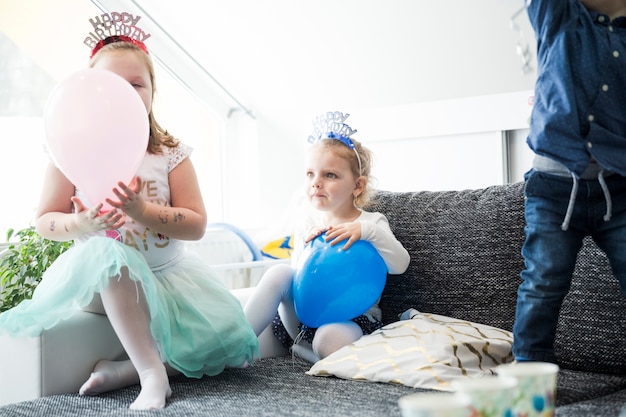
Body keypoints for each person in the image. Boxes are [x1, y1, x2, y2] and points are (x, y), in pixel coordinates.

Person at [0, 31, 259, 410]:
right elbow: (44, 220)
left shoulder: (170, 154)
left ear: (153, 92)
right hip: (101, 284)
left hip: (167, 279)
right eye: (111, 85)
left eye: (137, 84)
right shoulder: (69, 148)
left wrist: (143, 211)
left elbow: (196, 224)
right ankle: (153, 376)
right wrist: (79, 224)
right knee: (110, 256)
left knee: (233, 349)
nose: (125, 93)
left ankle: (124, 372)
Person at [244, 111, 410, 363]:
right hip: (301, 317)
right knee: (278, 272)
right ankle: (237, 343)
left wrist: (366, 233)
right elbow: (300, 279)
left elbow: (400, 264)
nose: (316, 183)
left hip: (351, 319)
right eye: (310, 174)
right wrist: (305, 247)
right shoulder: (309, 223)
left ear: (357, 185)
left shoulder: (371, 223)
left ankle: (306, 353)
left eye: (329, 175)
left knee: (327, 341)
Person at [513, 0, 626, 363]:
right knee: (542, 284)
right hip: (554, 187)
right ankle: (528, 375)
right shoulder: (558, 15)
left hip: (618, 187)